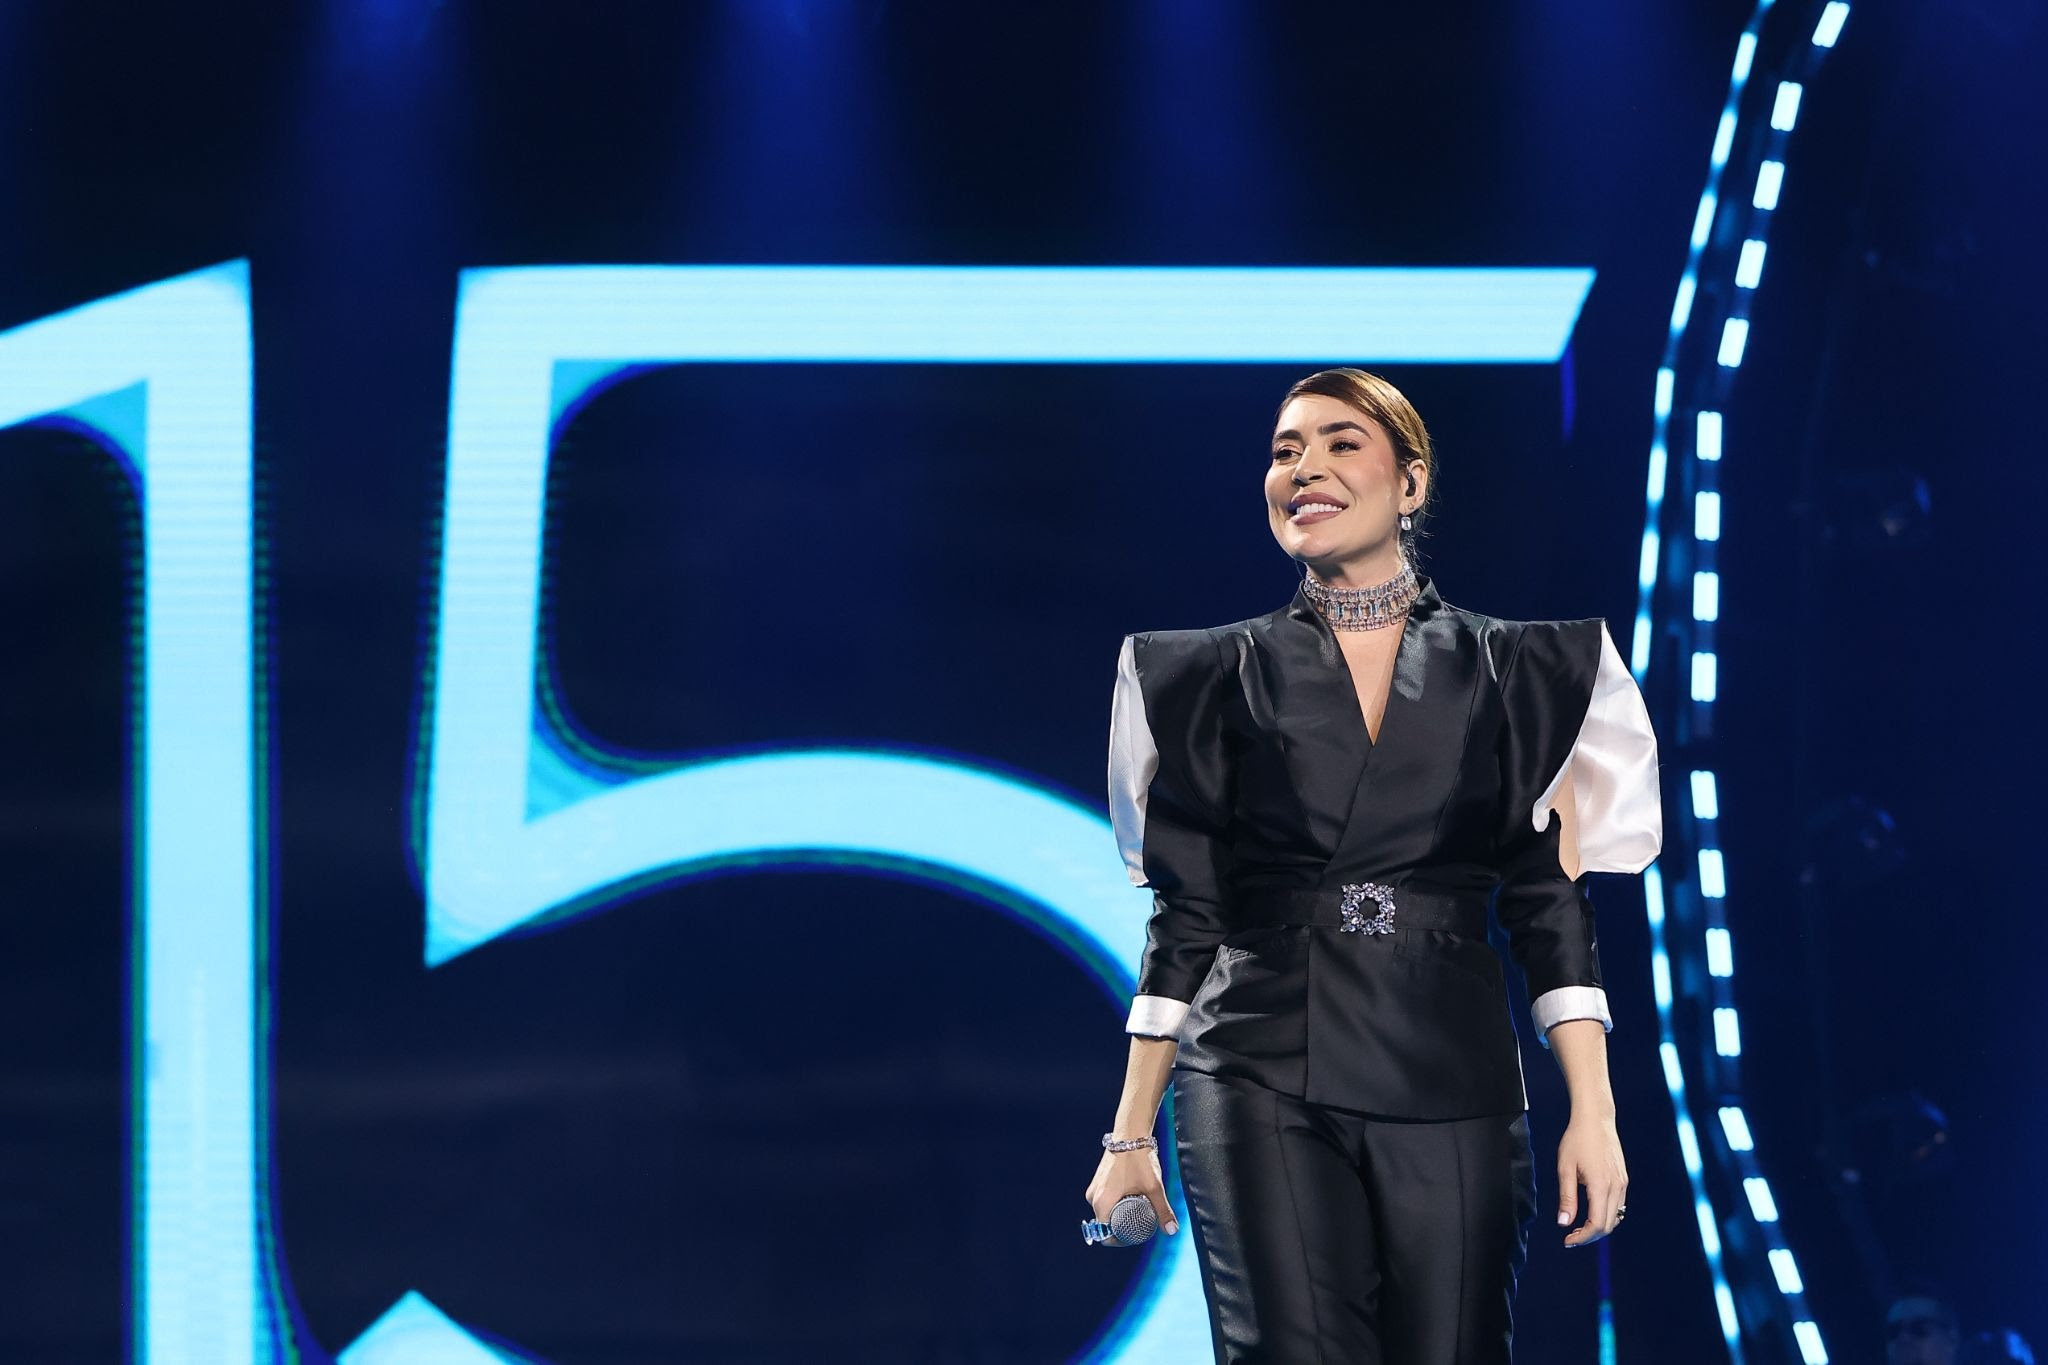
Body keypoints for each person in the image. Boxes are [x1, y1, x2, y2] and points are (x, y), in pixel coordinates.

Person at [1083, 367, 1662, 1362]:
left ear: (1411, 482)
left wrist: (1594, 1112)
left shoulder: (1524, 669)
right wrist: (1129, 1136)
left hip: (1453, 1070)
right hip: (1255, 1064)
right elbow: (1187, 916)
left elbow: (1550, 907)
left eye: (1340, 443)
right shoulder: (1202, 673)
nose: (1302, 468)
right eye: (1284, 451)